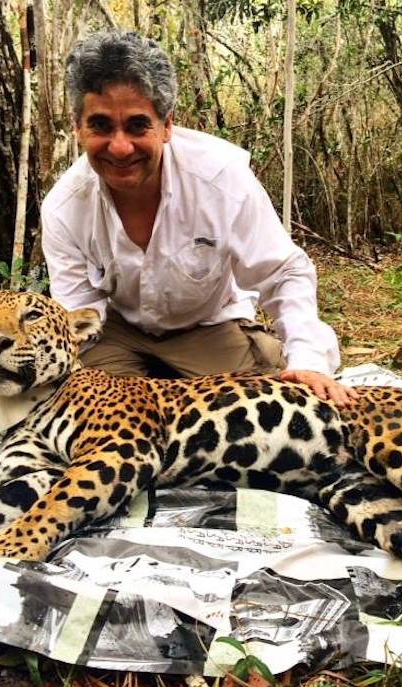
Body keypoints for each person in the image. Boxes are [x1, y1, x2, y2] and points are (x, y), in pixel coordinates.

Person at [41, 30, 356, 407]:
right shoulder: (63, 207)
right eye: (101, 126)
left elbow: (283, 272)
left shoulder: (220, 178)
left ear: (167, 125)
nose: (120, 147)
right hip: (117, 333)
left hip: (208, 326)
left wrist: (309, 360)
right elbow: (78, 315)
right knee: (95, 412)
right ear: (79, 128)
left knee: (264, 410)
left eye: (138, 125)